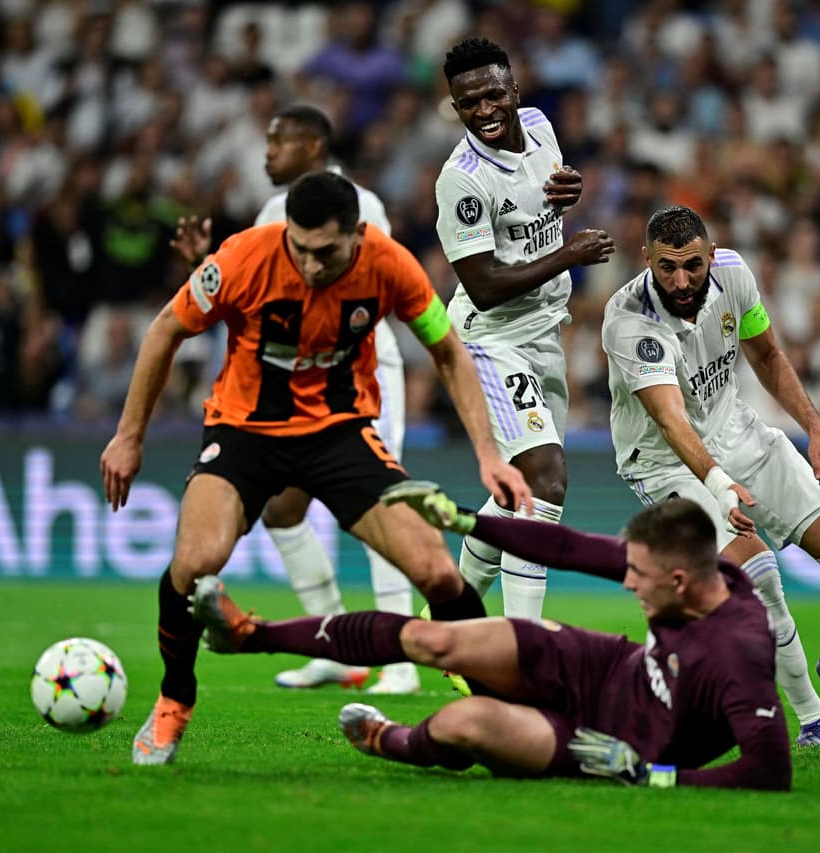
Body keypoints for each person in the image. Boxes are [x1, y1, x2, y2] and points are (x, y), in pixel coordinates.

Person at [101, 171, 531, 766]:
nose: (308, 263)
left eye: (325, 252)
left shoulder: (389, 264)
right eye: (298, 248)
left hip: (339, 434)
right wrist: (128, 436)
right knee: (195, 563)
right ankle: (176, 697)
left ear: (357, 234)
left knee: (435, 570)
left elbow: (448, 351)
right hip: (244, 431)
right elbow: (165, 330)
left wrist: (487, 452)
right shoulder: (243, 258)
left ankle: (495, 711)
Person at [191, 482, 792, 791]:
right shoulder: (687, 575)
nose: (627, 580)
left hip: (608, 740)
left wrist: (651, 775)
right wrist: (463, 520)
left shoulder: (738, 653)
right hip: (601, 668)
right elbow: (568, 546)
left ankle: (391, 739)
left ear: (681, 581)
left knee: (465, 723)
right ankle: (252, 635)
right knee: (436, 640)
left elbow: (770, 770)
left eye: (637, 575)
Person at [600, 206, 820, 748]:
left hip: (740, 433)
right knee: (759, 573)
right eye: (666, 268)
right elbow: (670, 420)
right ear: (646, 259)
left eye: (692, 266)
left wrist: (815, 427)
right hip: (667, 462)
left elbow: (765, 354)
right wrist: (718, 484)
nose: (681, 280)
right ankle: (814, 720)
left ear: (711, 256)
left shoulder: (736, 275)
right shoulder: (629, 321)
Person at [171, 104, 419, 695]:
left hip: (361, 370)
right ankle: (335, 646)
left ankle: (402, 661)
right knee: (283, 508)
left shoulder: (359, 204)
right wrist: (206, 269)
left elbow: (368, 284)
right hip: (294, 383)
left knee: (379, 506)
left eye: (278, 141)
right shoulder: (270, 213)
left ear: (313, 147)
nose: (267, 153)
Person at [434, 37, 616, 620]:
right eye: (468, 104)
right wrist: (570, 255)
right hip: (490, 339)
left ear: (514, 92)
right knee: (544, 484)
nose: (483, 111)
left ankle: (447, 622)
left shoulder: (539, 126)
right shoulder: (459, 181)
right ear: (455, 107)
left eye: (492, 96)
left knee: (515, 495)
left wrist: (571, 192)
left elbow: (546, 197)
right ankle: (522, 647)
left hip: (544, 332)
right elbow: (484, 286)